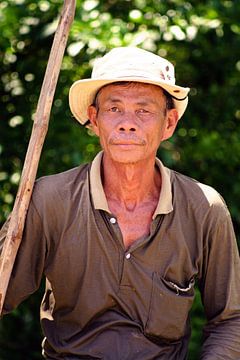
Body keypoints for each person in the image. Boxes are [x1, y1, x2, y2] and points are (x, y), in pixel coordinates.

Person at [0, 47, 240, 359]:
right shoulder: (50, 200)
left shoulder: (204, 209)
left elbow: (231, 320)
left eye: (143, 111)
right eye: (114, 109)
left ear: (169, 123)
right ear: (94, 119)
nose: (127, 123)